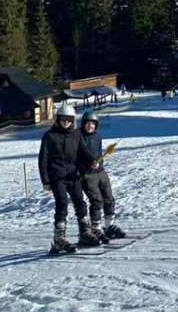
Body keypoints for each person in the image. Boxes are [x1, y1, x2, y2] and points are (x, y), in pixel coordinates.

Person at [38, 103, 101, 253]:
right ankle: (59, 239)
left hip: (73, 175)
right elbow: (43, 159)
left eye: (69, 119)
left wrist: (92, 159)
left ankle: (84, 233)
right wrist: (45, 180)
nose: (66, 122)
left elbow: (83, 151)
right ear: (58, 119)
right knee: (62, 205)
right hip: (57, 177)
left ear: (73, 120)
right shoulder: (49, 136)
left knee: (80, 203)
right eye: (63, 119)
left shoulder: (76, 134)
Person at [79, 111, 126, 241]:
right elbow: (83, 152)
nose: (90, 126)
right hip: (87, 174)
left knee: (109, 199)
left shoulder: (98, 136)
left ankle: (109, 226)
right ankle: (96, 228)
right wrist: (90, 162)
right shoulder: (79, 137)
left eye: (93, 123)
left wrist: (100, 161)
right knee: (97, 201)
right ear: (83, 124)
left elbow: (99, 152)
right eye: (87, 123)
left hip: (100, 171)